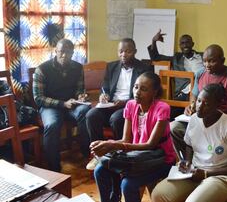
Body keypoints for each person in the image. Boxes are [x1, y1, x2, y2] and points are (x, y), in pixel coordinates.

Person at [151, 83, 227, 202]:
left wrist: (206, 173)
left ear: (218, 105)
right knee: (158, 194)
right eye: (199, 101)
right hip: (194, 172)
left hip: (221, 177)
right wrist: (187, 161)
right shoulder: (194, 119)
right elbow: (189, 146)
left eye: (206, 104)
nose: (199, 107)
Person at [92, 72, 175, 202]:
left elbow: (150, 145)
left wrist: (113, 145)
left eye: (144, 89)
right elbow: (125, 139)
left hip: (161, 159)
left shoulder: (162, 108)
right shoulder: (131, 105)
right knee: (99, 171)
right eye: (136, 87)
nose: (137, 92)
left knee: (128, 185)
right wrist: (103, 143)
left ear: (154, 92)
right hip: (136, 157)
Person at [170, 44, 227, 156]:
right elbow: (194, 95)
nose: (207, 65)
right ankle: (189, 161)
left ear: (222, 60)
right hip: (201, 120)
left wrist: (215, 120)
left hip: (222, 123)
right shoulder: (200, 73)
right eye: (205, 61)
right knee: (174, 128)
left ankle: (208, 164)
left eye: (211, 61)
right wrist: (192, 105)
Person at [86, 38, 152, 169]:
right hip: (111, 104)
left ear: (135, 52)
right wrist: (103, 96)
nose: (123, 55)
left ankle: (119, 154)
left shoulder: (144, 68)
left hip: (131, 105)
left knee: (116, 119)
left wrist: (124, 103)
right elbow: (104, 87)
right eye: (121, 51)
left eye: (127, 51)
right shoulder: (111, 66)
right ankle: (98, 155)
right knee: (91, 115)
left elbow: (145, 94)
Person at [33, 39, 90, 172]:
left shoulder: (78, 67)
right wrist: (62, 104)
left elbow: (79, 90)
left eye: (68, 52)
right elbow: (38, 99)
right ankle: (54, 167)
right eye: (62, 52)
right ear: (56, 51)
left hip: (71, 104)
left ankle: (87, 154)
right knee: (52, 124)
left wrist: (81, 96)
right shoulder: (42, 69)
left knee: (86, 111)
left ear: (73, 53)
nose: (64, 55)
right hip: (50, 106)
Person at [148, 30, 203, 117]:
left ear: (193, 44)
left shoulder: (202, 56)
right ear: (180, 46)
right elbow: (155, 57)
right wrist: (154, 41)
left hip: (201, 91)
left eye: (187, 42)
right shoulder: (176, 58)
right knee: (166, 114)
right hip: (183, 93)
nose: (185, 45)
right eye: (182, 43)